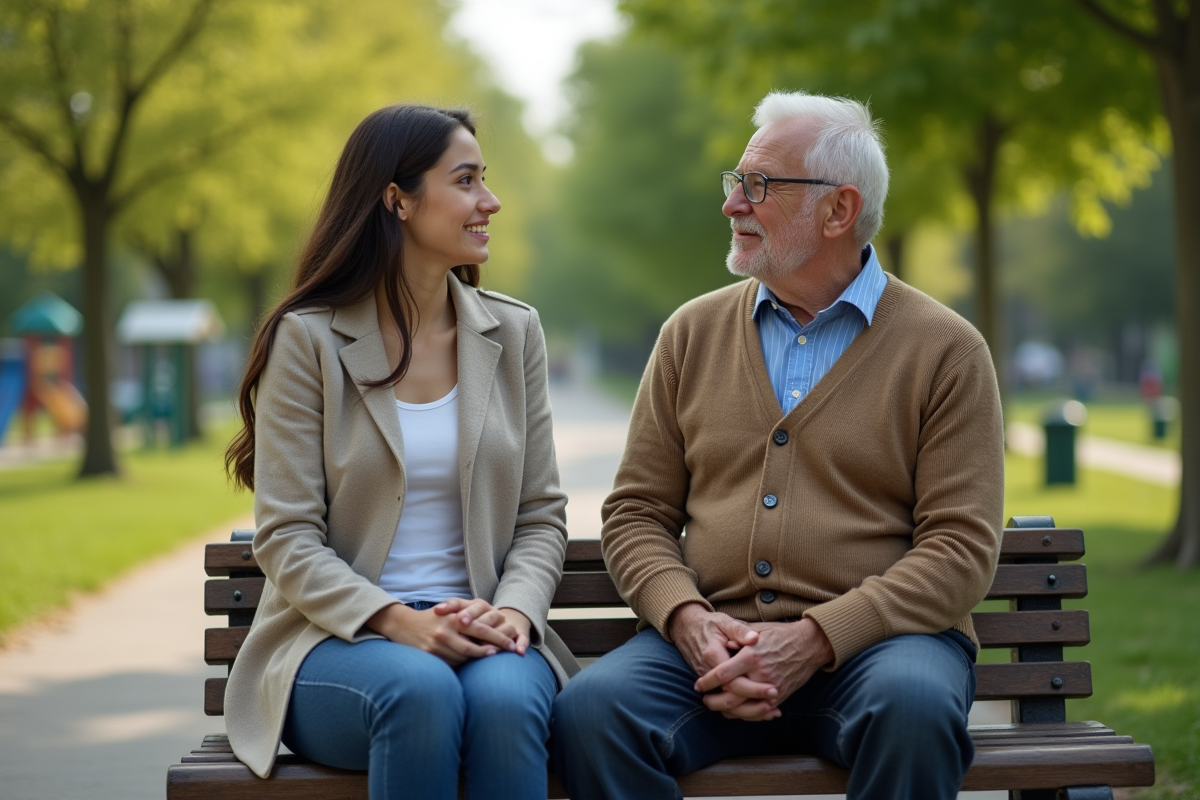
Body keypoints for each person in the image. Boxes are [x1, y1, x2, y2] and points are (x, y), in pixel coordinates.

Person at [551, 91, 1004, 800]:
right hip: (707, 651)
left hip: (881, 652)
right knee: (594, 712)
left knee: (913, 711)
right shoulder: (689, 334)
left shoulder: (946, 350)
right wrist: (688, 619)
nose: (734, 203)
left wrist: (818, 638)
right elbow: (636, 513)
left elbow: (959, 551)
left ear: (838, 211)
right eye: (736, 181)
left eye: (759, 185)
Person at [222, 104, 577, 800]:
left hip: (485, 627)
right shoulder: (309, 342)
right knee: (418, 692)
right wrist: (397, 620)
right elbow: (287, 537)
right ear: (397, 200)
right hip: (339, 641)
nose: (490, 201)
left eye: (485, 180)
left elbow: (540, 515)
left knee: (505, 703)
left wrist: (513, 611)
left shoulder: (514, 332)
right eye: (467, 181)